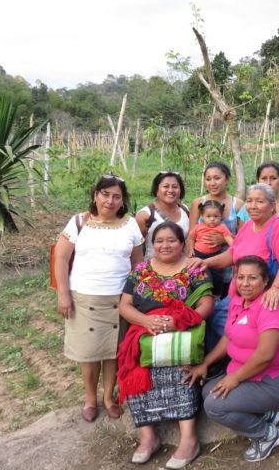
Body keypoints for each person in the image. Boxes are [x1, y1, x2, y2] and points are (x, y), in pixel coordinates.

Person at [117, 222, 213, 468]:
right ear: (152, 244)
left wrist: (177, 322)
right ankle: (148, 437)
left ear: (182, 243)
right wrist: (146, 321)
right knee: (135, 366)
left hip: (182, 332)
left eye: (171, 240)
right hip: (144, 332)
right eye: (159, 240)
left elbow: (206, 304)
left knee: (180, 369)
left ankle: (189, 440)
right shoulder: (140, 270)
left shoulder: (194, 269)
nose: (165, 245)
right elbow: (125, 305)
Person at [184, 256, 279, 463]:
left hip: (271, 382)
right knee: (208, 390)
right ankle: (265, 414)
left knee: (214, 406)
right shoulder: (238, 303)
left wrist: (234, 379)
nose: (245, 283)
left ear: (265, 282)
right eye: (240, 277)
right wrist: (205, 364)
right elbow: (228, 337)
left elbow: (265, 356)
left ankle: (267, 434)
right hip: (246, 376)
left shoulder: (272, 307)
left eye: (252, 278)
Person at [53, 175, 144, 422]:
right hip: (85, 297)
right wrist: (63, 293)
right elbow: (60, 258)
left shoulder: (130, 225)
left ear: (123, 200)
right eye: (105, 194)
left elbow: (137, 263)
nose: (110, 200)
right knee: (89, 352)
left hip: (120, 299)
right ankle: (90, 399)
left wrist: (137, 295)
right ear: (95, 196)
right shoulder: (78, 222)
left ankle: (109, 397)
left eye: (116, 196)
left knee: (113, 351)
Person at [187, 183, 279, 351]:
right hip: (238, 296)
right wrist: (207, 262)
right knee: (217, 323)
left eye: (259, 201)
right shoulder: (248, 226)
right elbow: (233, 254)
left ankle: (237, 366)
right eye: (249, 200)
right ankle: (225, 365)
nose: (253, 206)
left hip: (259, 298)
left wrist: (276, 289)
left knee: (237, 333)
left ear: (272, 205)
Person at [189, 162, 245, 295]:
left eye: (217, 178)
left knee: (226, 297)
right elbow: (191, 234)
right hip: (202, 259)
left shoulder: (238, 204)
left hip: (229, 262)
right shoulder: (198, 203)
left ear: (227, 179)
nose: (212, 183)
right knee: (204, 294)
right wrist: (190, 256)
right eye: (208, 179)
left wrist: (224, 239)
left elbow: (245, 238)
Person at [136, 172, 190, 259]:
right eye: (165, 186)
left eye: (175, 187)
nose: (171, 190)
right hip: (153, 270)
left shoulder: (185, 211)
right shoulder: (146, 215)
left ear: (180, 190)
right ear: (156, 190)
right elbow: (135, 247)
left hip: (182, 268)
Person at [188, 200, 234, 297]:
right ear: (202, 216)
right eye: (208, 216)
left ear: (221, 216)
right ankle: (199, 295)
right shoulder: (198, 227)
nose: (212, 219)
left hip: (215, 255)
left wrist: (236, 249)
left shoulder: (222, 227)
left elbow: (229, 239)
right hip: (198, 254)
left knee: (217, 276)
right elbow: (191, 238)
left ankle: (216, 295)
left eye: (215, 216)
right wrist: (191, 249)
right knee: (199, 276)